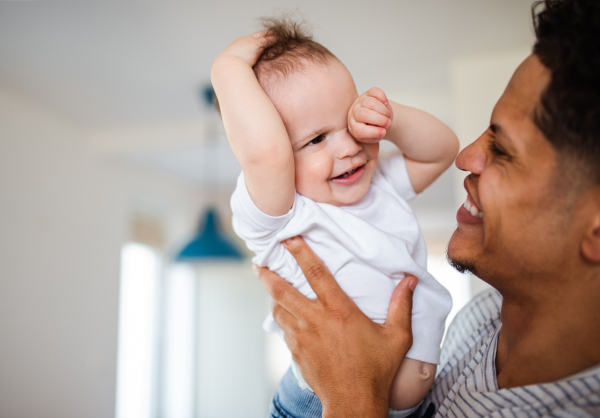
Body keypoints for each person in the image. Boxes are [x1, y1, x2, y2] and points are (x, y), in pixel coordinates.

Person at [255, 0, 600, 416]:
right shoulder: (483, 320)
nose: (467, 157)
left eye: (503, 150)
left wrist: (353, 399)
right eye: (316, 139)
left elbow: (437, 151)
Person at [211, 18, 459, 417]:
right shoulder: (283, 215)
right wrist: (227, 68)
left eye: (351, 122)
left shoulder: (381, 185)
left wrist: (387, 118)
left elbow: (442, 149)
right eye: (316, 139)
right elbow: (267, 154)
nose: (349, 146)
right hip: (318, 405)